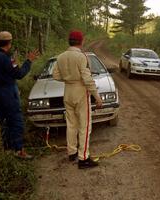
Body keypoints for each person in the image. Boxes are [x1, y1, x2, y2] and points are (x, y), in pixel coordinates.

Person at [52, 30, 103, 169]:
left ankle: (72, 152)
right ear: (81, 41)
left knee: (71, 124)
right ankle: (83, 158)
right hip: (80, 92)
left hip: (67, 91)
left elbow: (55, 75)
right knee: (85, 126)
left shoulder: (60, 57)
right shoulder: (82, 57)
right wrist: (97, 97)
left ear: (69, 41)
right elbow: (87, 79)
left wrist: (68, 79)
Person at [0, 31, 39, 159]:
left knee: (3, 121)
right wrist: (29, 61)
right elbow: (19, 74)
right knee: (16, 121)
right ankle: (19, 151)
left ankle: (7, 150)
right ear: (8, 43)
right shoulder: (6, 58)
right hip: (8, 93)